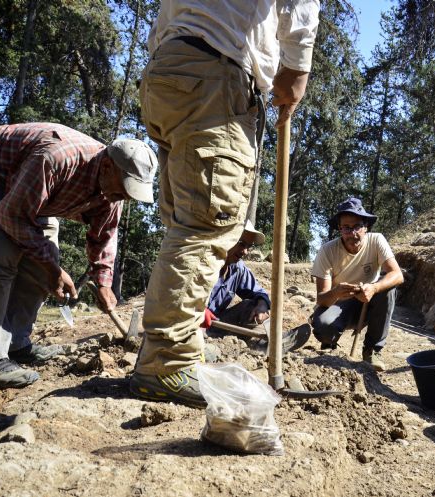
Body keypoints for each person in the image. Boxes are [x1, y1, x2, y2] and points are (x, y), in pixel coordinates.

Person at [131, 0, 320, 407]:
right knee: (205, 225)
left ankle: (180, 344)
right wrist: (296, 69)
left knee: (186, 221)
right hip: (214, 73)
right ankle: (165, 362)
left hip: (169, 72)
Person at [0, 123, 157, 388]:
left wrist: (103, 283)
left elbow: (104, 237)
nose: (123, 197)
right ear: (108, 166)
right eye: (124, 188)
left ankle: (17, 344)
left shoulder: (113, 192)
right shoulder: (56, 158)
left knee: (41, 264)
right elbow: (12, 215)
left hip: (33, 194)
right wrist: (54, 270)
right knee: (0, 257)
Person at [311, 197, 404, 372]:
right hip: (341, 304)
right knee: (323, 326)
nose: (353, 233)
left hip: (370, 303)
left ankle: (372, 350)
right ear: (340, 229)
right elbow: (321, 299)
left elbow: (397, 274)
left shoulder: (377, 240)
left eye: (357, 227)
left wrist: (374, 288)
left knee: (388, 289)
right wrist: (337, 292)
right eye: (346, 228)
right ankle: (329, 343)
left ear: (366, 227)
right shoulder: (327, 250)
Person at [201, 221, 311, 352]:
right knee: (206, 349)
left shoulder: (237, 268)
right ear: (226, 237)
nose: (245, 251)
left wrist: (262, 305)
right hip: (187, 324)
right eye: (241, 243)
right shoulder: (203, 261)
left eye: (249, 246)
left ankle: (264, 343)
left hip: (215, 324)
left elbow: (259, 293)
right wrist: (197, 309)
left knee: (251, 305)